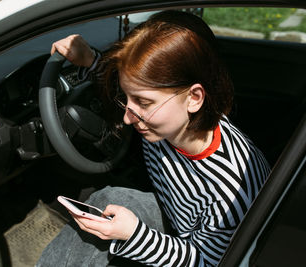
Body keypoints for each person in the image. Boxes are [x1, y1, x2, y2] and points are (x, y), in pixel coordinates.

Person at [36, 10, 270, 266]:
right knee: (109, 201)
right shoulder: (170, 120)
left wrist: (135, 235)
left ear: (194, 98)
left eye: (143, 103)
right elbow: (125, 86)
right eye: (127, 99)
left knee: (114, 204)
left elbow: (206, 262)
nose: (127, 116)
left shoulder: (232, 192)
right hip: (173, 219)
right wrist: (90, 60)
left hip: (197, 252)